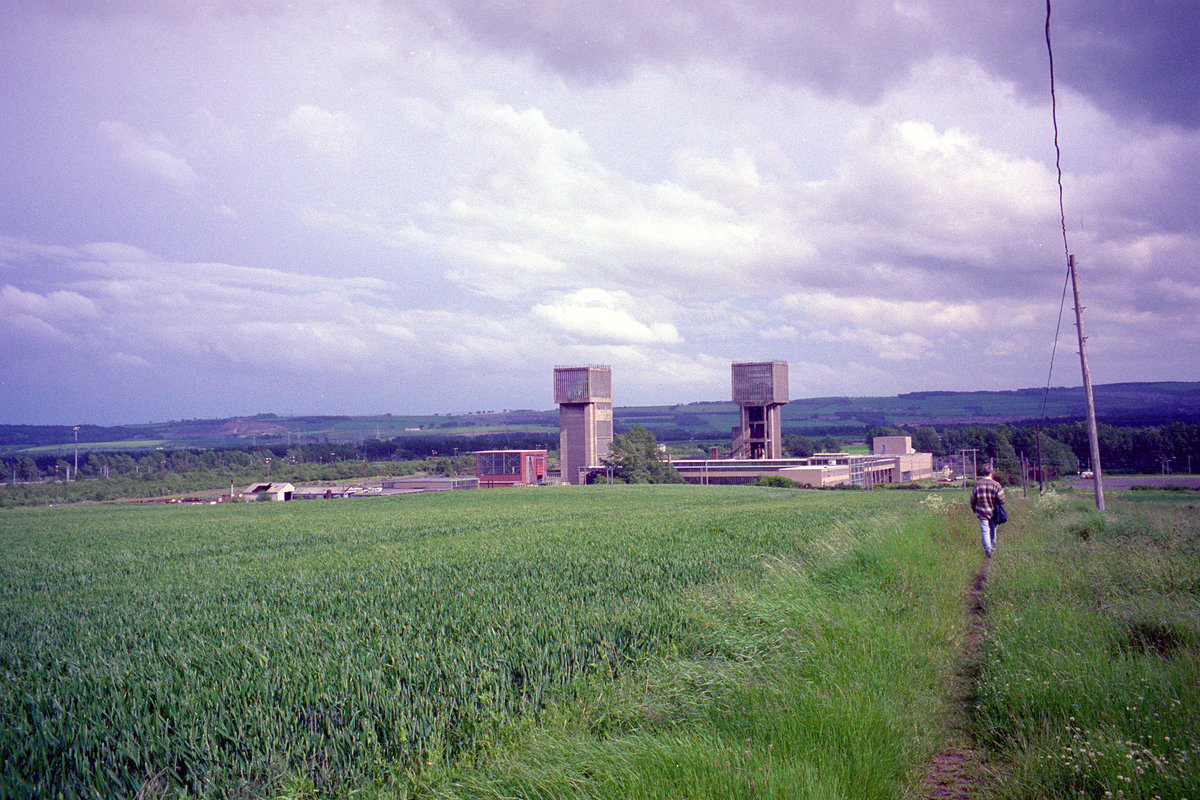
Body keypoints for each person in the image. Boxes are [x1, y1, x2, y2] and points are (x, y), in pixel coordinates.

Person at [970, 463, 1006, 557]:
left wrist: (974, 509)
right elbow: (1002, 500)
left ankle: (988, 550)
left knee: (985, 531)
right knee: (993, 530)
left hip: (982, 512)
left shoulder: (978, 484)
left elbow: (972, 499)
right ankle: (992, 548)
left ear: (983, 472)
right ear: (992, 472)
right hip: (994, 512)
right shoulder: (996, 485)